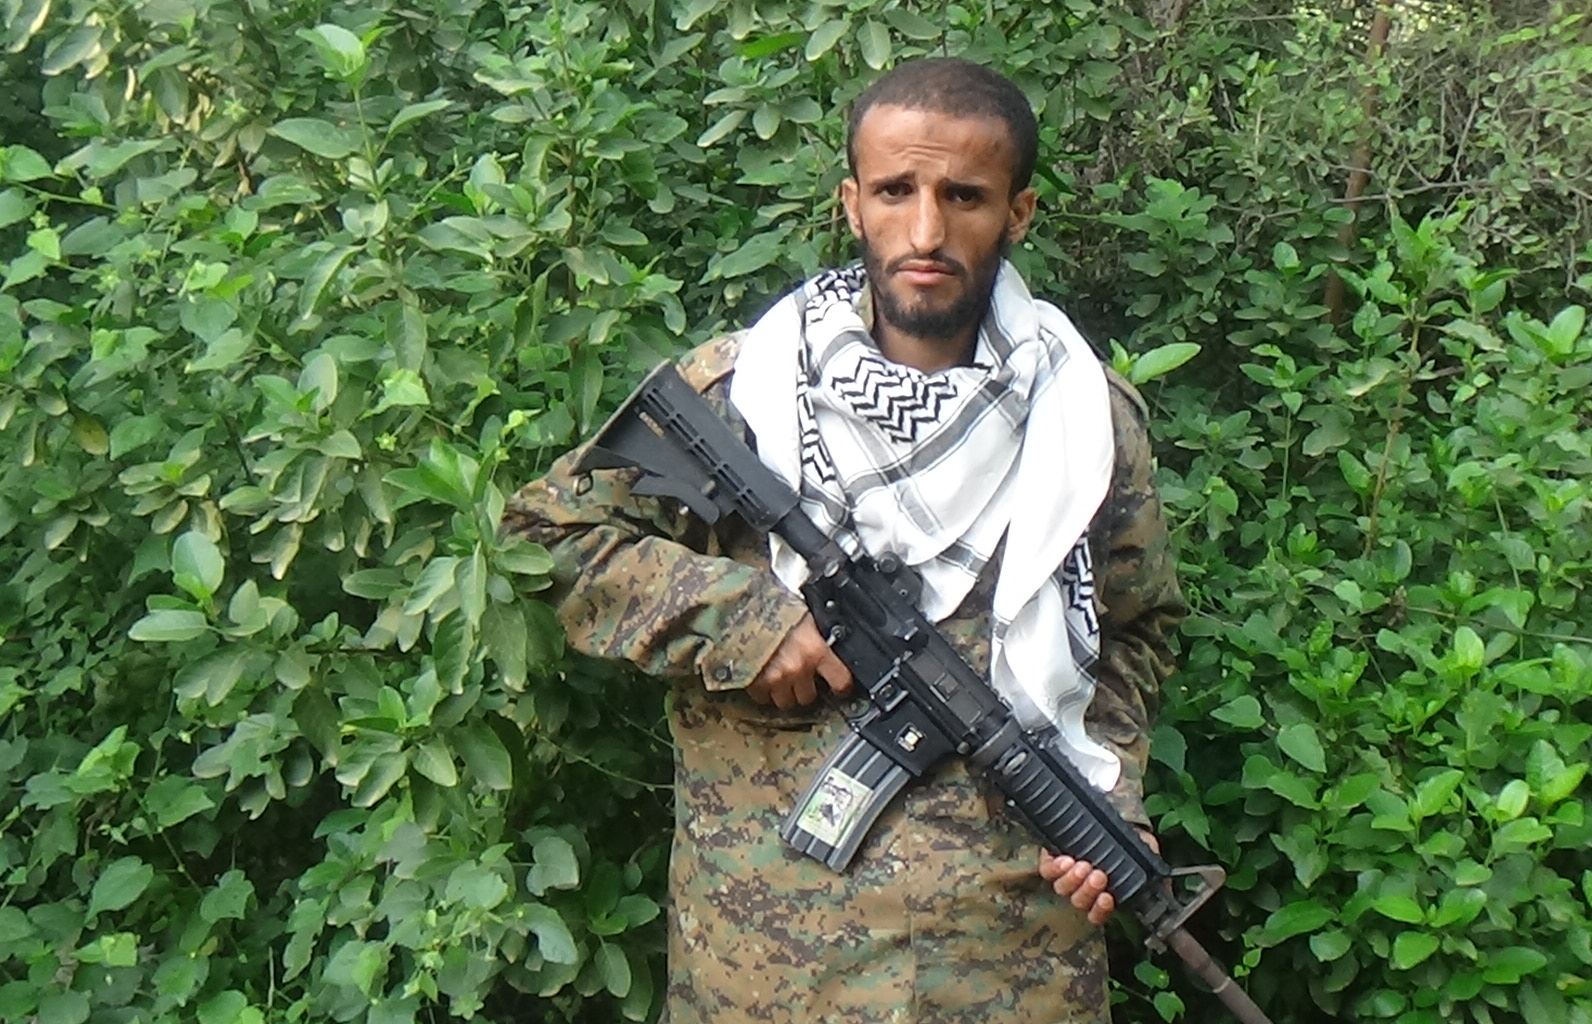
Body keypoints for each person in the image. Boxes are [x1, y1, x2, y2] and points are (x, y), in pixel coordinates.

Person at [502, 57, 1184, 1024]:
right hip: (770, 963)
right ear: (852, 204)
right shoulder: (743, 395)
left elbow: (1137, 631)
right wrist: (746, 622)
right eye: (896, 190)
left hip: (1010, 966)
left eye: (965, 196)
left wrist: (1107, 798)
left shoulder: (1084, 421)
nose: (926, 231)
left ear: (1019, 214)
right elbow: (547, 534)